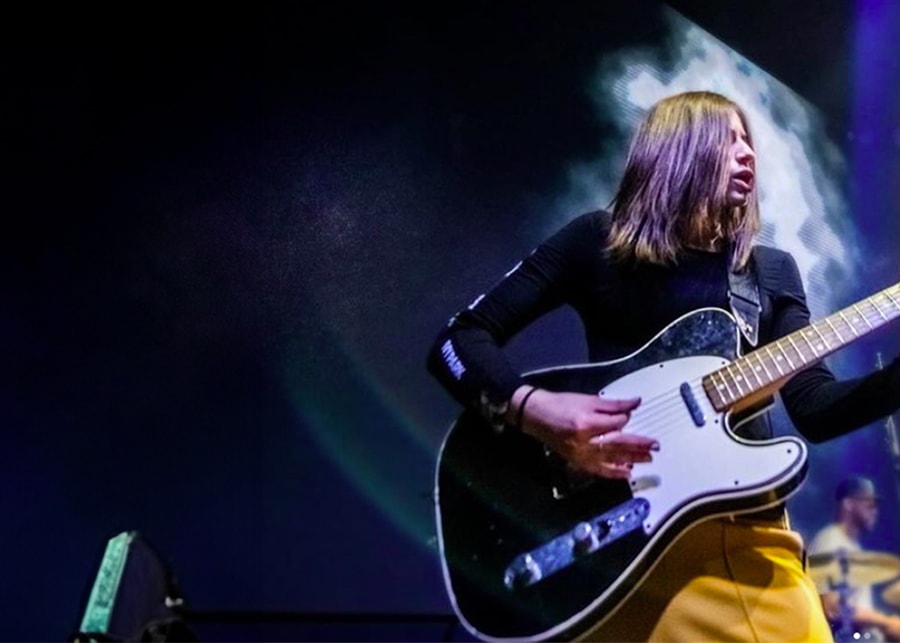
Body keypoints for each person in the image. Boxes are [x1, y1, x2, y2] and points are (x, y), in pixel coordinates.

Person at [426, 90, 900, 642]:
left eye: (750, 140)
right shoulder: (595, 242)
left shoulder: (769, 271)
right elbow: (459, 341)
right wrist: (531, 409)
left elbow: (816, 410)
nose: (748, 152)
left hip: (750, 544)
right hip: (624, 548)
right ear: (679, 147)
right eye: (729, 138)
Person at [809, 476, 900, 642]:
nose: (875, 511)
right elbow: (833, 607)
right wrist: (886, 623)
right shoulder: (831, 541)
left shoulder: (852, 547)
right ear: (848, 504)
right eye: (870, 504)